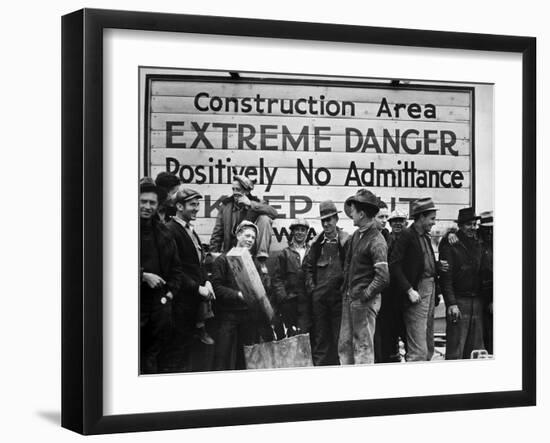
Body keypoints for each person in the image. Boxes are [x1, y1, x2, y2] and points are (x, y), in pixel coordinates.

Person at [164, 188, 216, 371]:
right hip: (180, 304)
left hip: (193, 305)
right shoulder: (171, 230)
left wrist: (207, 281)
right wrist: (197, 288)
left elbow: (197, 262)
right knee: (177, 354)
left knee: (188, 353)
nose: (196, 209)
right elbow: (173, 269)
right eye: (192, 205)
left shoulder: (189, 230)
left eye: (198, 204)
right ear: (179, 206)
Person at [211, 221, 272, 370]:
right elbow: (216, 288)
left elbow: (261, 289)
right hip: (227, 316)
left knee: (246, 358)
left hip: (248, 317)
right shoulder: (223, 259)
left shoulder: (255, 263)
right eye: (247, 235)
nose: (250, 240)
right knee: (222, 356)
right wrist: (237, 294)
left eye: (253, 237)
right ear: (238, 235)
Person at [339, 189, 389, 365]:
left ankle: (363, 388)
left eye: (353, 210)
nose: (350, 214)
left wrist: (365, 296)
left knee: (363, 348)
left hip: (363, 302)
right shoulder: (356, 236)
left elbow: (383, 278)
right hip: (350, 299)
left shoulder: (377, 240)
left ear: (361, 214)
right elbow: (348, 266)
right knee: (345, 346)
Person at [139, 178, 184, 374]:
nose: (147, 207)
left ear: (158, 206)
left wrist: (171, 291)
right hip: (135, 304)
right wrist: (142, 276)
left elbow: (176, 268)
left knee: (153, 354)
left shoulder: (163, 233)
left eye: (152, 203)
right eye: (143, 201)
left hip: (159, 305)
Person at [389, 197, 441, 362]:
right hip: (417, 293)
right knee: (418, 348)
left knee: (428, 344)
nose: (434, 222)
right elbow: (394, 265)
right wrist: (409, 290)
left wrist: (439, 266)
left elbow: (423, 263)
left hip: (430, 290)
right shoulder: (406, 235)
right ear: (421, 217)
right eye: (431, 218)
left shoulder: (425, 236)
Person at [303, 201, 349, 366]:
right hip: (320, 301)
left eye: (330, 219)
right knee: (321, 340)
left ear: (336, 219)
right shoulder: (316, 243)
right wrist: (313, 290)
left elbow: (351, 269)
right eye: (323, 220)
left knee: (340, 339)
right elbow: (307, 268)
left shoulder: (346, 241)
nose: (327, 223)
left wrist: (344, 290)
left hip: (339, 300)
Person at [439, 207, 485, 359]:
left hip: (477, 302)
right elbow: (446, 279)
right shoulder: (450, 245)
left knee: (476, 350)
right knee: (456, 349)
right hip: (459, 302)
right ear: (460, 225)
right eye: (469, 225)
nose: (473, 228)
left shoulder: (479, 242)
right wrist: (451, 304)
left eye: (474, 224)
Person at [209, 175, 278, 271]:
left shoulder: (256, 203)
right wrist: (213, 254)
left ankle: (261, 260)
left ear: (246, 191)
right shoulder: (226, 206)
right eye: (233, 189)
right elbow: (217, 232)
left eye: (238, 189)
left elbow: (274, 213)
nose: (235, 193)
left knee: (265, 218)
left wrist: (251, 204)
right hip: (231, 249)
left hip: (250, 249)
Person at [374, 209, 409, 363]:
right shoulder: (385, 239)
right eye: (394, 221)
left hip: (406, 295)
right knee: (388, 335)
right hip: (388, 296)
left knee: (408, 335)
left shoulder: (411, 238)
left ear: (406, 222)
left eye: (400, 220)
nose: (397, 224)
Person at [272, 218, 311, 337]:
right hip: (289, 302)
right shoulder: (284, 253)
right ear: (292, 232)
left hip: (307, 302)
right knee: (291, 335)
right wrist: (283, 299)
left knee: (305, 334)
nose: (300, 232)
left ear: (306, 233)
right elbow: (277, 279)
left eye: (303, 230)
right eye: (297, 230)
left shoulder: (312, 252)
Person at [479, 211, 494, 354]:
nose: (489, 232)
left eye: (492, 228)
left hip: (491, 295)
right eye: (486, 228)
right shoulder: (477, 241)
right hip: (478, 295)